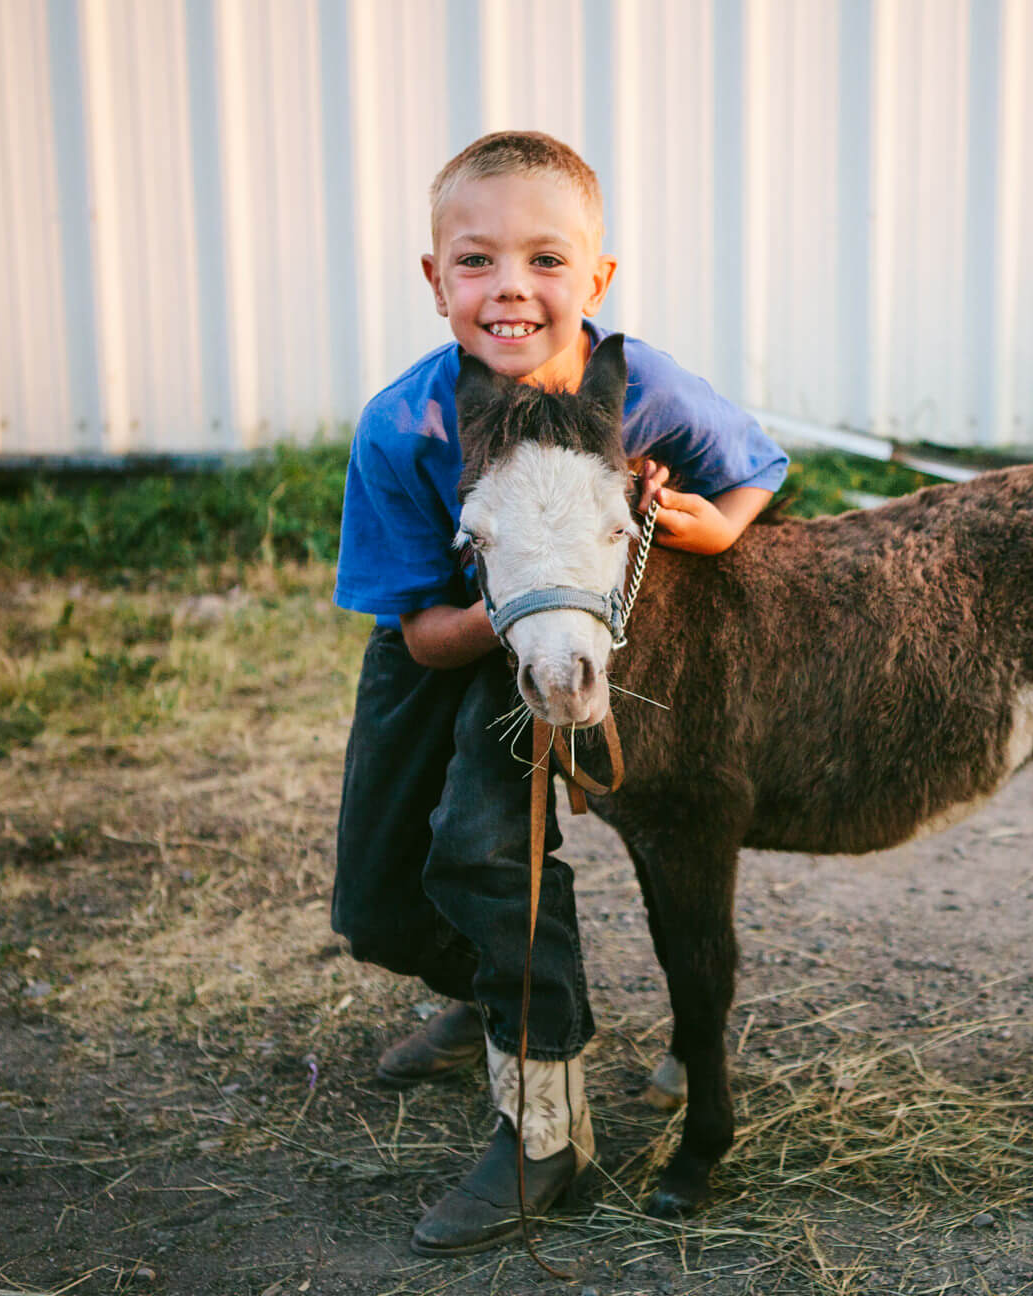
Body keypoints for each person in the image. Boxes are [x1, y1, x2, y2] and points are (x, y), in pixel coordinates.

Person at [330, 130, 788, 1257]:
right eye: (476, 262)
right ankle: (493, 987)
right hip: (451, 634)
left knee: (484, 852)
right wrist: (514, 605)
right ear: (435, 281)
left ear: (597, 278)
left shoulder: (641, 385)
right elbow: (425, 630)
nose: (513, 289)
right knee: (374, 908)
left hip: (568, 646)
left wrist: (719, 526)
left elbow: (755, 466)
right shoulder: (405, 425)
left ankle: (546, 1135)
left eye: (547, 259)